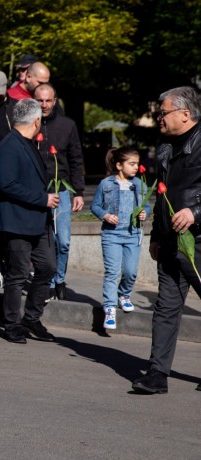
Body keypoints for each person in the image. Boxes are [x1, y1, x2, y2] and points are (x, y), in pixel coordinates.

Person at [133, 87, 201, 395]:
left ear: (185, 114)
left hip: (197, 239)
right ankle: (157, 373)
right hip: (171, 240)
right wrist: (157, 236)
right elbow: (162, 194)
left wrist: (196, 212)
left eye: (164, 113)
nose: (159, 117)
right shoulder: (164, 145)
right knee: (166, 307)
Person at [0, 99, 58, 344]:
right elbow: (6, 184)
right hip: (17, 221)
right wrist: (42, 199)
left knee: (47, 266)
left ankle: (32, 317)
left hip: (38, 221)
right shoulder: (10, 145)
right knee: (17, 273)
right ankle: (12, 323)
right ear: (37, 120)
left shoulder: (27, 143)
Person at [33, 83, 85, 300]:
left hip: (61, 189)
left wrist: (79, 191)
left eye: (48, 100)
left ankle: (59, 279)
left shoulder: (67, 125)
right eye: (39, 101)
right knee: (42, 240)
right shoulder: (28, 124)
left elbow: (75, 158)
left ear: (55, 101)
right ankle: (44, 280)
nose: (44, 105)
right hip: (36, 191)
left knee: (62, 240)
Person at [90, 147, 149, 331]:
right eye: (131, 164)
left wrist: (144, 213)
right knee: (112, 272)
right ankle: (110, 308)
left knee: (130, 271)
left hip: (133, 234)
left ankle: (124, 295)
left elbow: (147, 206)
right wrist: (106, 215)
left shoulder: (140, 184)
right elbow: (95, 206)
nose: (136, 167)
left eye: (137, 164)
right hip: (112, 234)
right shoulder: (106, 184)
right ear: (118, 165)